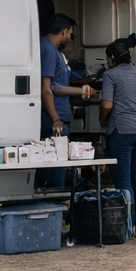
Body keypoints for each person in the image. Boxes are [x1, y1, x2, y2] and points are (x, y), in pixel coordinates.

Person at [98, 33, 136, 238]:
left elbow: (107, 104)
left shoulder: (110, 76)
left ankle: (128, 226)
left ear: (112, 57)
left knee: (123, 180)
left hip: (122, 131)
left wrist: (103, 119)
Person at [38, 13, 93, 190]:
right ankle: (54, 202)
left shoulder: (54, 50)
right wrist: (55, 119)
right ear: (64, 31)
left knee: (58, 163)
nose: (70, 38)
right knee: (57, 165)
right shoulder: (47, 48)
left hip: (59, 115)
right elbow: (47, 88)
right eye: (70, 34)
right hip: (54, 118)